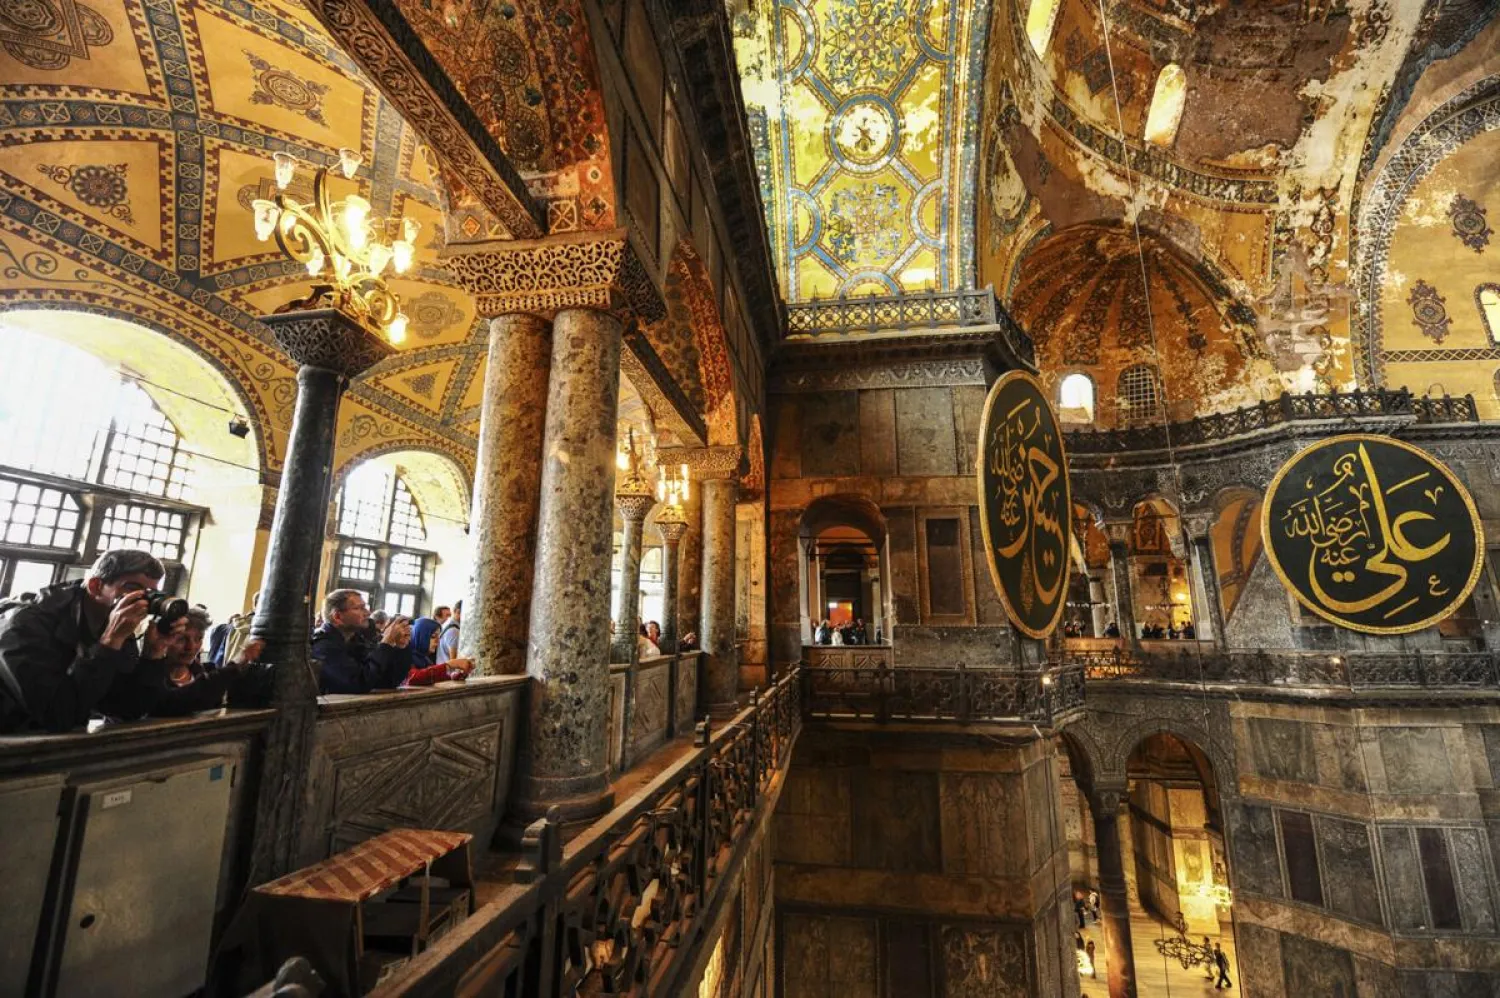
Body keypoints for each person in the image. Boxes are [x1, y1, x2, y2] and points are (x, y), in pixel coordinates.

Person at [0, 549, 187, 732]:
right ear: (96, 586)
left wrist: (153, 653)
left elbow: (127, 708)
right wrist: (109, 642)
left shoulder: (114, 625)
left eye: (150, 594)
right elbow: (56, 714)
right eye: (132, 589)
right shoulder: (26, 623)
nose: (142, 602)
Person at [311, 590, 411, 694]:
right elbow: (358, 683)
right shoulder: (323, 645)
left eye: (365, 607)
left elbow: (388, 681)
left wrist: (400, 647)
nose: (368, 613)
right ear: (337, 617)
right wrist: (386, 643)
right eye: (359, 608)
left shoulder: (357, 641)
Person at [436, 600, 462, 664]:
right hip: (447, 672)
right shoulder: (454, 631)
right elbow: (454, 661)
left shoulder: (446, 624)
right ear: (456, 611)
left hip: (441, 667)